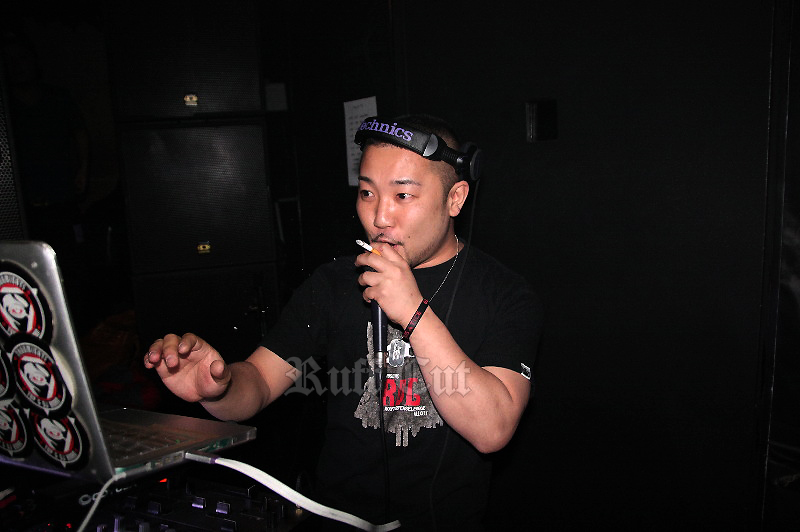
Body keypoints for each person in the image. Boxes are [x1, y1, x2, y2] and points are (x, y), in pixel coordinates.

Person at [144, 114, 542, 530]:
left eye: (402, 195)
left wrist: (412, 311)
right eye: (367, 193)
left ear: (455, 199)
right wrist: (218, 387)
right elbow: (258, 382)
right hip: (335, 519)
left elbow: (493, 429)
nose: (380, 216)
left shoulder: (506, 295)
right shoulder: (332, 284)